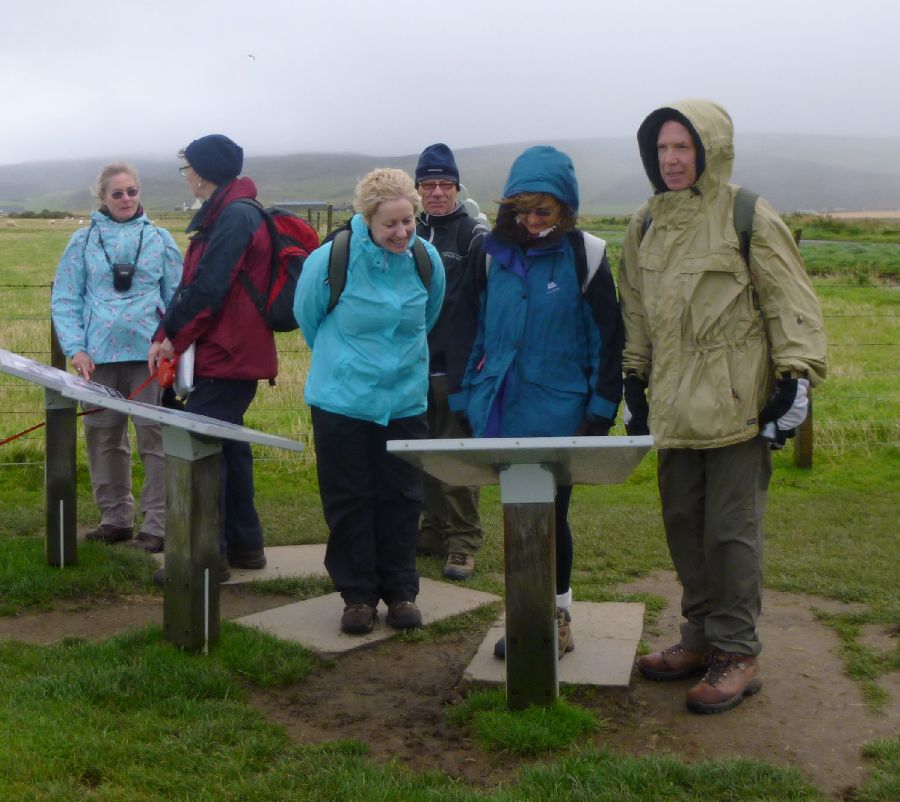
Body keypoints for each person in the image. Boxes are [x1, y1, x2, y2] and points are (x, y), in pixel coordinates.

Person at [619, 100, 827, 714]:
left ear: (709, 149)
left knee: (730, 535)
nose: (672, 159)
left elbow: (790, 299)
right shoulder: (645, 224)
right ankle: (701, 639)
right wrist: (634, 379)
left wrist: (796, 380)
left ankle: (738, 654)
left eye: (683, 147)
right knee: (684, 526)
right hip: (675, 409)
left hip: (737, 407)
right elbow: (637, 310)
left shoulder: (747, 214)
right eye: (661, 149)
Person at [450, 146, 624, 659]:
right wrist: (464, 395)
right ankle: (528, 614)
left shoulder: (585, 255)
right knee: (515, 513)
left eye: (542, 211)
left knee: (551, 514)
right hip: (499, 409)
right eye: (520, 211)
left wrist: (601, 408)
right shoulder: (489, 255)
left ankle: (556, 618)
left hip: (560, 412)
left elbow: (606, 337)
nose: (529, 222)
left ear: (566, 208)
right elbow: (471, 329)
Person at [294, 168, 445, 635]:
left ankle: (401, 591)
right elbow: (308, 318)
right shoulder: (331, 259)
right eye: (391, 225)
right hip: (342, 402)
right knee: (349, 499)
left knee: (402, 497)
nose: (403, 233)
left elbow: (430, 314)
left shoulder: (427, 259)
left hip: (404, 401)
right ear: (367, 220)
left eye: (409, 222)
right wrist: (347, 365)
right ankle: (357, 596)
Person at [148, 134, 276, 581]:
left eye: (187, 168)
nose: (185, 176)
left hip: (227, 353)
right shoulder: (233, 211)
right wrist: (168, 331)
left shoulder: (234, 216)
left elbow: (208, 288)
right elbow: (198, 284)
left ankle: (204, 555)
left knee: (201, 447)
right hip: (230, 351)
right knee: (229, 444)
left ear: (202, 172)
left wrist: (172, 339)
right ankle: (245, 546)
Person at [52, 163, 182, 553]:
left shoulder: (160, 239)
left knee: (154, 441)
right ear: (103, 198)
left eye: (132, 191)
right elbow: (66, 298)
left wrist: (169, 342)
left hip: (148, 359)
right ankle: (115, 519)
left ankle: (157, 525)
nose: (127, 199)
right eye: (118, 193)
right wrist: (76, 347)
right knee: (103, 439)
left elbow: (178, 297)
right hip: (98, 360)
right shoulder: (83, 241)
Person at [414, 143, 489, 581]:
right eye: (429, 184)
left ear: (457, 188)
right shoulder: (408, 231)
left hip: (456, 368)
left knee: (458, 456)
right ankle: (433, 528)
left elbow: (486, 303)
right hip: (412, 368)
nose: (437, 192)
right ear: (419, 188)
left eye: (445, 184)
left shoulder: (472, 236)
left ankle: (463, 542)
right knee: (421, 454)